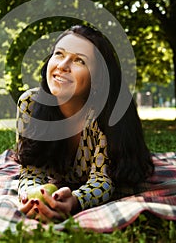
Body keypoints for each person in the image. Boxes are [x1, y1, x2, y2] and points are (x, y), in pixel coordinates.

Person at [15, 24, 154, 222]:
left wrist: (75, 200)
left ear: (97, 79)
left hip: (122, 169)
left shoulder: (104, 113)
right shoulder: (30, 104)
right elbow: (30, 171)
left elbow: (102, 180)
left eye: (79, 60)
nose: (63, 65)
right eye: (59, 54)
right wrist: (33, 195)